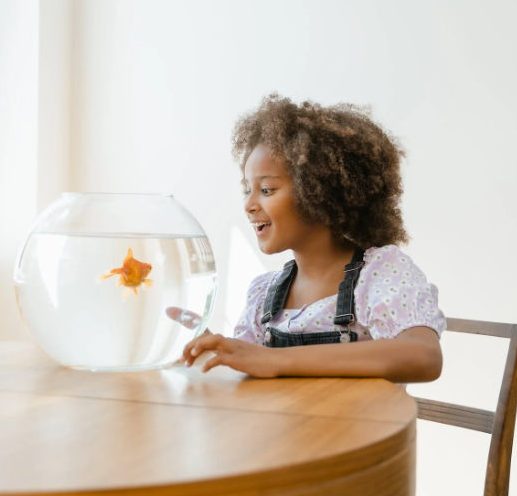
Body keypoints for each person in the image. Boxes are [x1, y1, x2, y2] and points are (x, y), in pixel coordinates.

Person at [167, 93, 445, 383]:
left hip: (357, 428)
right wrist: (214, 348)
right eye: (247, 189)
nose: (248, 204)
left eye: (267, 190)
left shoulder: (379, 274)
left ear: (319, 192)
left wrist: (276, 360)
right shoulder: (265, 294)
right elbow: (250, 371)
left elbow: (424, 357)